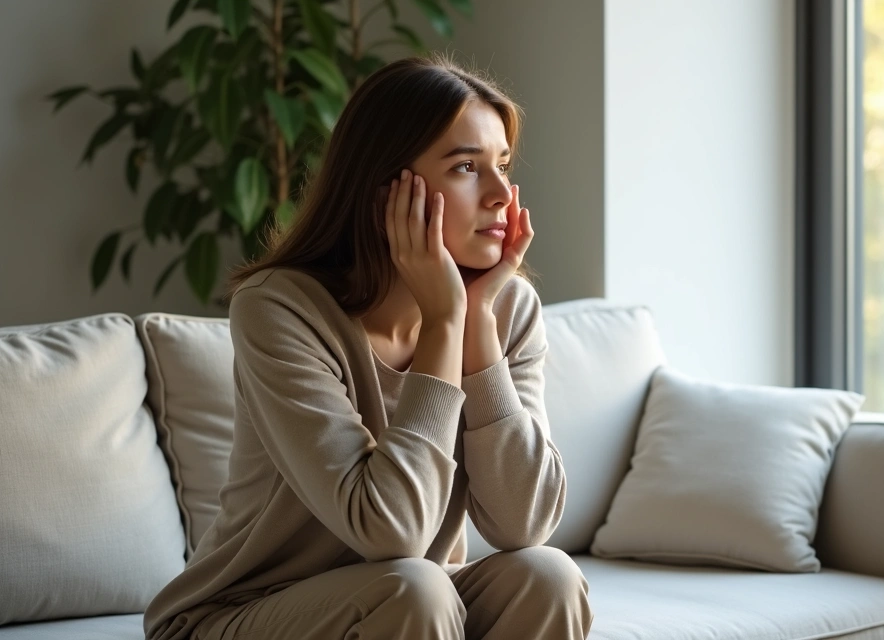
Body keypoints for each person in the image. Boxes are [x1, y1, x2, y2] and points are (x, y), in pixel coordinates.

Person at [142, 52, 592, 640]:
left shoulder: (505, 309)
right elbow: (392, 532)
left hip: (405, 602)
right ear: (386, 192)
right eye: (465, 167)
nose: (501, 195)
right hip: (240, 615)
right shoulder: (279, 309)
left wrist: (476, 326)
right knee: (412, 588)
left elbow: (525, 523)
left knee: (547, 575)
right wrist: (444, 322)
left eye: (502, 165)